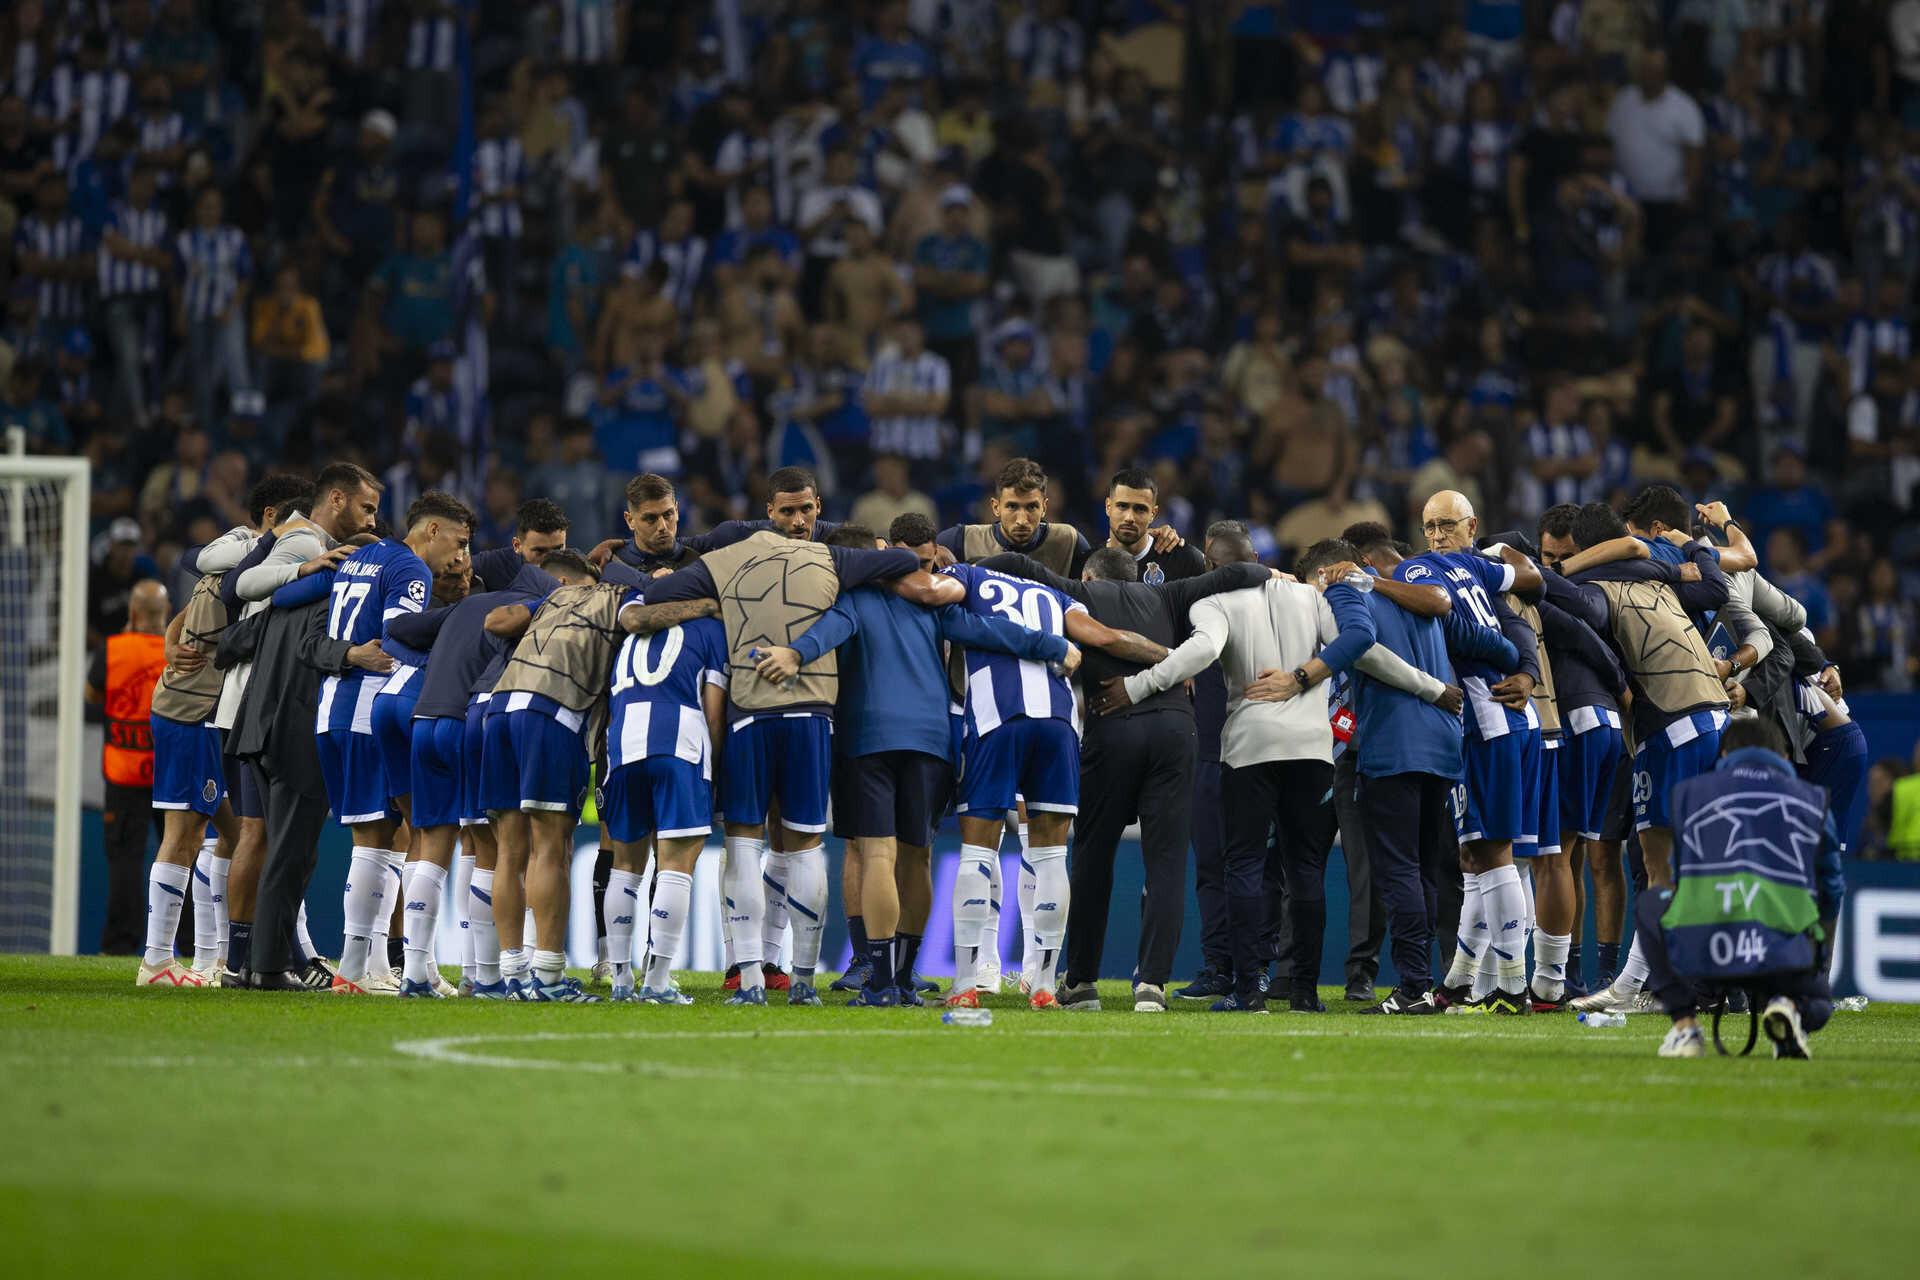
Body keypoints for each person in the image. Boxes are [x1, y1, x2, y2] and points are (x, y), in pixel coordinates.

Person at [761, 517, 1075, 1006]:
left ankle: (882, 980)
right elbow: (992, 632)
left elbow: (827, 631)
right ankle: (907, 978)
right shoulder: (932, 608)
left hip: (869, 735)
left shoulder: (855, 600)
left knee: (879, 857)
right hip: (932, 741)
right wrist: (1056, 646)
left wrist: (795, 654)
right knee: (917, 858)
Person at [642, 523, 945, 1004]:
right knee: (805, 847)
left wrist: (709, 604)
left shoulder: (726, 559)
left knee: (743, 846)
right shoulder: (831, 558)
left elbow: (655, 592)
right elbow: (905, 564)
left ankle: (750, 981)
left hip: (748, 714)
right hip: (811, 717)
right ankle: (804, 983)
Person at [1100, 534, 1382, 1013]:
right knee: (1306, 871)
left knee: (1245, 866)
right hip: (1312, 748)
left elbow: (1201, 652)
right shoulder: (1312, 596)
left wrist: (1136, 685)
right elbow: (1361, 644)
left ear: (1212, 566)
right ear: (1254, 560)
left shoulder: (1212, 600)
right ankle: (1305, 994)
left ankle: (1248, 991)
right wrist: (1430, 687)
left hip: (1250, 745)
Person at [990, 541, 1272, 1013]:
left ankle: (1080, 983)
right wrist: (1272, 574)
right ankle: (1152, 987)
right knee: (1165, 861)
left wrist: (961, 567)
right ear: (1136, 576)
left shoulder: (1079, 592)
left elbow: (1018, 564)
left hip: (1112, 729)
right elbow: (1235, 572)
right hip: (1176, 733)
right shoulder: (1168, 595)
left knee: (1093, 857)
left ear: (1093, 577)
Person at [480, 552, 716, 1002]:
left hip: (499, 706)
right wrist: (706, 606)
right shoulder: (619, 595)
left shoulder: (554, 597)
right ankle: (548, 978)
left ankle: (510, 973)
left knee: (509, 850)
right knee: (551, 847)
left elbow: (499, 621)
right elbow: (640, 621)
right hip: (550, 710)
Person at [937, 557, 1171, 1009]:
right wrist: (1172, 659)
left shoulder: (967, 575)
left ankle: (966, 985)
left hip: (996, 717)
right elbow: (1108, 638)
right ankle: (1043, 985)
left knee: (978, 850)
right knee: (1048, 856)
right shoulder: (1056, 596)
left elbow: (940, 608)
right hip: (1059, 722)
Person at [1562, 501, 1734, 1016]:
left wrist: (1543, 580)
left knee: (1661, 867)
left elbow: (1578, 617)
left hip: (1672, 725)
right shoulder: (1659, 574)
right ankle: (1689, 982)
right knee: (1694, 864)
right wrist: (1692, 542)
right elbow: (1714, 588)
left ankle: (1636, 986)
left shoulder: (1596, 590)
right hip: (1715, 717)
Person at [298, 491, 473, 996]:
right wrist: (464, 621)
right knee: (376, 841)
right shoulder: (411, 570)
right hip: (367, 708)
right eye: (458, 542)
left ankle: (374, 964)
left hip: (333, 705)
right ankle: (353, 970)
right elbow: (400, 631)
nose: (459, 557)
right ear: (433, 530)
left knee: (387, 839)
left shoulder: (362, 558)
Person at [222, 463, 387, 991]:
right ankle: (268, 968)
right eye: (367, 510)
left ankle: (253, 966)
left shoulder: (303, 588)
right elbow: (254, 597)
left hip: (257, 723)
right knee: (291, 850)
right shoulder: (315, 569)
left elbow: (244, 630)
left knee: (282, 848)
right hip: (291, 726)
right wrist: (351, 652)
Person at [384, 550, 559, 998]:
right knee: (489, 849)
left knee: (429, 843)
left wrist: (426, 658)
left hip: (422, 722)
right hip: (465, 722)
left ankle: (415, 972)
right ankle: (483, 975)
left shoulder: (461, 607)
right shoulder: (526, 610)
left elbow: (396, 630)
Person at [1402, 490, 1547, 1015]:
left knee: (1492, 854)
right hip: (1512, 718)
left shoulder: (1418, 572)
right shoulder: (1476, 567)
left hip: (1485, 718)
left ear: (1471, 526)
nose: (1436, 535)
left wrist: (1512, 657)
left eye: (1446, 524)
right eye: (1429, 526)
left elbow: (1444, 619)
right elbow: (1531, 578)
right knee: (1474, 859)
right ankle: (1460, 983)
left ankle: (1511, 987)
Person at [1641, 718, 1844, 1060]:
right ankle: (1789, 1005)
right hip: (1783, 956)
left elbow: (1679, 877)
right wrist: (1816, 957)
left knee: (1652, 903)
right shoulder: (1814, 800)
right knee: (1820, 1001)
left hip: (1707, 956)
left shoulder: (1692, 795)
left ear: (1724, 753)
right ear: (1782, 754)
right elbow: (1831, 889)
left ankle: (1685, 1028)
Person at [186, 472, 315, 987]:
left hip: (246, 704)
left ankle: (239, 955)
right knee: (256, 835)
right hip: (250, 706)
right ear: (272, 516)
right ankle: (236, 956)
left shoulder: (277, 559)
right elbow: (195, 561)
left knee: (246, 836)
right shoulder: (255, 549)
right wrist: (267, 543)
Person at [139, 542, 248, 986]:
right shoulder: (241, 573)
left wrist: (170, 641)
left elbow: (185, 615)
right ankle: (158, 960)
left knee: (237, 832)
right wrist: (169, 646)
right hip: (192, 715)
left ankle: (211, 958)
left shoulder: (232, 569)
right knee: (184, 833)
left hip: (210, 716)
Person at [84, 580, 169, 959]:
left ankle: (119, 944)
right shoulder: (175, 652)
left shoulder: (112, 650)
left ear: (132, 612)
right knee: (180, 858)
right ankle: (184, 944)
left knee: (124, 861)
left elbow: (91, 696)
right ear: (165, 614)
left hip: (122, 772)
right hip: (168, 773)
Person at [936, 457, 1093, 576]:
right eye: (1012, 507)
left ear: (1044, 507)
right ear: (995, 507)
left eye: (1031, 507)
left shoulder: (1069, 541)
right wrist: (931, 552)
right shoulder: (960, 540)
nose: (1022, 520)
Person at [1103, 468, 1204, 583]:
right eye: (1122, 506)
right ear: (1108, 507)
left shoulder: (1184, 560)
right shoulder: (1087, 562)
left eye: (1140, 509)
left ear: (1153, 514)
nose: (1129, 517)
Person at [471, 497, 570, 591]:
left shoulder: (575, 566)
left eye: (557, 550)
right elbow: (462, 566)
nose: (550, 560)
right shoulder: (496, 563)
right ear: (517, 546)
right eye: (539, 551)